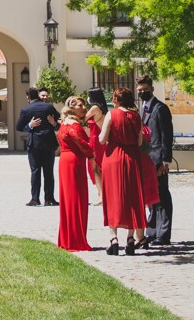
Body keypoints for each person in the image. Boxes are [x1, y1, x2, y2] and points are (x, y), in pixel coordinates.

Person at [98, 86, 147, 255]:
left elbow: (102, 139)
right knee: (132, 197)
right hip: (132, 157)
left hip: (114, 158)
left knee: (113, 196)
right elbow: (140, 141)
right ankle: (131, 238)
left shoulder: (112, 114)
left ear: (116, 100)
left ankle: (113, 238)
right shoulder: (136, 116)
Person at [137, 74, 175, 246]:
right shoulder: (142, 108)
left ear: (152, 89)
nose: (142, 92)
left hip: (158, 159)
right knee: (151, 197)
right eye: (139, 90)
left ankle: (164, 233)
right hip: (146, 159)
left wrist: (166, 160)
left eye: (145, 90)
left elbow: (167, 136)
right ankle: (152, 231)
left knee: (162, 196)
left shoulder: (160, 108)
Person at [57, 96, 94, 252]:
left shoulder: (64, 124)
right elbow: (83, 145)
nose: (84, 108)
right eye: (80, 105)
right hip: (74, 162)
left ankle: (67, 238)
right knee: (76, 199)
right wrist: (93, 151)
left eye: (84, 105)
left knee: (68, 199)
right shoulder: (74, 125)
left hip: (65, 160)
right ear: (71, 108)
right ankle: (76, 240)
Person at [15, 86, 59, 206]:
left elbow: (18, 127)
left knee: (35, 171)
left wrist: (29, 125)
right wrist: (54, 124)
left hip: (34, 143)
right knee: (49, 172)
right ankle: (49, 199)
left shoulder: (26, 109)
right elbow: (59, 121)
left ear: (28, 97)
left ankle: (35, 198)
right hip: (49, 143)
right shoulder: (49, 107)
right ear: (38, 95)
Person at [86, 103, 106, 206]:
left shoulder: (94, 108)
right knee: (98, 167)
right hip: (97, 139)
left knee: (95, 168)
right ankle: (102, 193)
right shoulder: (102, 108)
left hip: (95, 140)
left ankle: (101, 195)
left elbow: (83, 119)